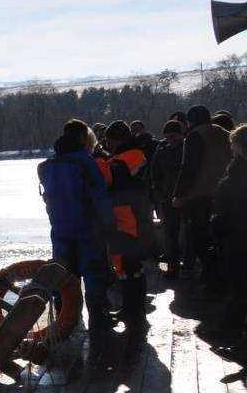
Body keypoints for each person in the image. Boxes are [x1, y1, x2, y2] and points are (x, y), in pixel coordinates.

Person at [39, 120, 115, 364]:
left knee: (63, 278)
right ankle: (99, 325)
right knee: (94, 277)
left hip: (60, 230)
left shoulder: (47, 166)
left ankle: (65, 325)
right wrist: (110, 225)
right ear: (84, 138)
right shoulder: (85, 162)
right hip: (87, 230)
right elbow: (99, 196)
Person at [98, 121, 153, 331]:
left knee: (131, 269)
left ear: (117, 139)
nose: (107, 144)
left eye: (109, 140)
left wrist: (99, 160)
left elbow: (113, 179)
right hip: (129, 218)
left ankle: (135, 313)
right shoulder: (128, 155)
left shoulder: (130, 156)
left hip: (130, 220)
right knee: (128, 268)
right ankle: (131, 309)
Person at [173, 104, 233, 280]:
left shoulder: (195, 136)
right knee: (220, 239)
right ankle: (223, 275)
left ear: (191, 121)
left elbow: (188, 168)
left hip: (200, 195)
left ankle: (211, 276)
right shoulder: (225, 133)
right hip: (224, 193)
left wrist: (179, 195)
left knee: (200, 239)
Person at [207, 125, 247, 351]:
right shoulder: (237, 168)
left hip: (237, 234)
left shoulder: (238, 171)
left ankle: (233, 333)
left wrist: (218, 225)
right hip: (236, 232)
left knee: (239, 286)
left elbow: (230, 203)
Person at [150, 119, 186, 277]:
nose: (171, 140)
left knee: (183, 233)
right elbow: (154, 173)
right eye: (168, 137)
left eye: (173, 136)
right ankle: (173, 265)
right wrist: (159, 193)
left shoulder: (187, 149)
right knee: (170, 233)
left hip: (184, 196)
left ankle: (184, 264)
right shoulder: (162, 149)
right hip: (168, 197)